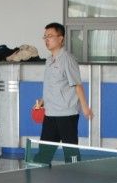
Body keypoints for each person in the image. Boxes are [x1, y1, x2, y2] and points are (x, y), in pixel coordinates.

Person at [35, 22, 93, 164]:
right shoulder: (49, 60)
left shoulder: (67, 59)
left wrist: (85, 108)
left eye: (50, 36)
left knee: (71, 155)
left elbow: (77, 85)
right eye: (45, 37)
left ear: (61, 38)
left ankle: (75, 175)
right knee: (43, 155)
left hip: (67, 115)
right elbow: (54, 85)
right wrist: (43, 100)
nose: (46, 39)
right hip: (50, 114)